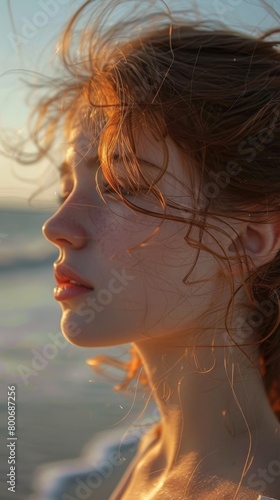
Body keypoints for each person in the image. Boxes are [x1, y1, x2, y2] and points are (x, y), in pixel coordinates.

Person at [23, 0, 280, 497]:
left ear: (251, 237)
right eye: (66, 188)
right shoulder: (156, 453)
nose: (57, 226)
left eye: (122, 184)